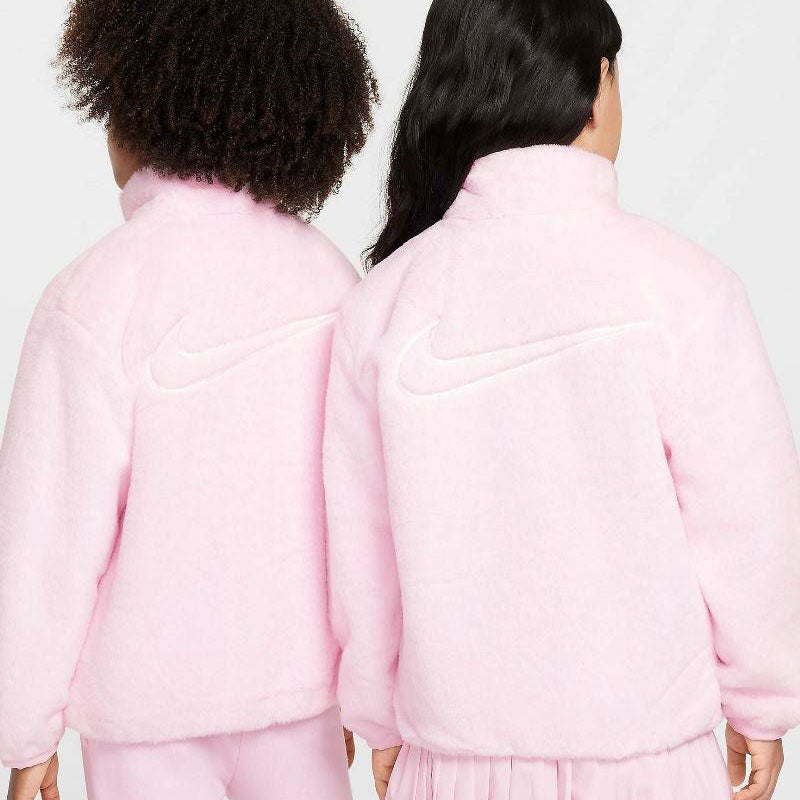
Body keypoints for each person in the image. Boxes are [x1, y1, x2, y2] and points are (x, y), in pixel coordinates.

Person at [323, 1, 799, 799]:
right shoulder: (684, 287)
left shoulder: (385, 303)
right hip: (648, 757)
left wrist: (377, 715)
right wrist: (762, 698)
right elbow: (749, 520)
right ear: (597, 89)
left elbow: (362, 549)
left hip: (453, 758)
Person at [0, 0, 377, 798]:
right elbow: (361, 513)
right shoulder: (330, 280)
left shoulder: (94, 296)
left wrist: (24, 729)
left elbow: (44, 544)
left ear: (136, 108)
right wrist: (367, 690)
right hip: (303, 696)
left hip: (145, 717)